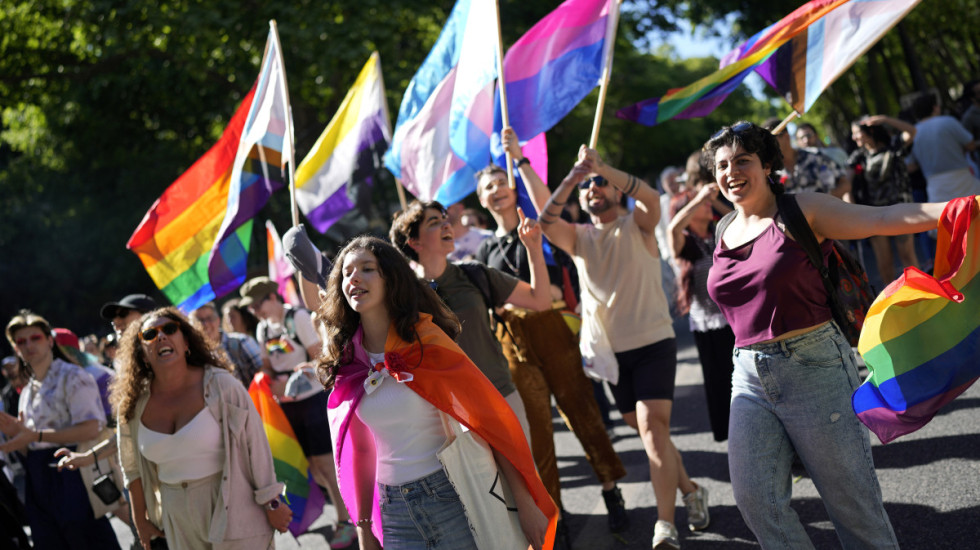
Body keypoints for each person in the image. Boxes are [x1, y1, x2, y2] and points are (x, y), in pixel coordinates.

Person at [701, 121, 948, 549]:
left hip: (815, 365)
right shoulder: (723, 229)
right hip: (747, 375)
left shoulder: (801, 210)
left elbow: (883, 218)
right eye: (722, 165)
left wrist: (958, 208)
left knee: (853, 510)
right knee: (757, 501)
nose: (731, 172)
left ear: (767, 165)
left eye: (743, 161)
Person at [318, 236, 557, 550]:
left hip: (452, 497)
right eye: (347, 273)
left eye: (367, 269)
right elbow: (360, 452)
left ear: (391, 279)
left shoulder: (427, 342)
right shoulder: (348, 363)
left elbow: (488, 422)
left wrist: (525, 503)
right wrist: (364, 529)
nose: (354, 278)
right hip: (393, 515)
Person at [538, 147, 709, 549]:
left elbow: (650, 196)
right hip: (611, 356)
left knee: (652, 431)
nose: (593, 188)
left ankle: (664, 525)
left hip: (654, 343)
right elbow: (547, 220)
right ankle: (690, 489)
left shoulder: (639, 225)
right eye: (586, 186)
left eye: (600, 183)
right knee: (652, 435)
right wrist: (574, 175)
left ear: (616, 190)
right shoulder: (578, 238)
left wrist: (602, 167)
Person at [474, 127, 629, 535]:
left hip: (552, 328)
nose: (496, 190)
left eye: (502, 183)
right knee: (537, 432)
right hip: (512, 341)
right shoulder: (483, 252)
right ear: (481, 199)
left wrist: (518, 157)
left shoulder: (537, 226)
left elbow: (557, 280)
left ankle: (611, 489)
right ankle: (553, 514)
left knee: (582, 411)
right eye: (489, 187)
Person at [111, 307, 291, 549]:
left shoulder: (222, 385)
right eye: (150, 334)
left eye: (170, 329)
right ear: (142, 354)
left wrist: (272, 502)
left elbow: (255, 445)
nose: (161, 336)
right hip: (176, 515)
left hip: (232, 501)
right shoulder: (133, 405)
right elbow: (131, 467)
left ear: (186, 342)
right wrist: (139, 520)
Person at [389, 200, 553, 437]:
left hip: (500, 393)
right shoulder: (403, 297)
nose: (447, 225)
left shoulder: (474, 273)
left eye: (445, 219)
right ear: (414, 242)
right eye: (434, 222)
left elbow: (541, 301)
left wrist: (534, 249)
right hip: (448, 409)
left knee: (525, 474)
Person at [238, 276, 353, 547]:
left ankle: (346, 519)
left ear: (272, 297)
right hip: (287, 407)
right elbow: (267, 366)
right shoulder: (263, 329)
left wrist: (291, 377)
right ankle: (348, 508)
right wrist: (265, 380)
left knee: (326, 463)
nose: (254, 312)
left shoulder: (298, 317)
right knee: (314, 466)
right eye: (251, 308)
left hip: (313, 399)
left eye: (257, 305)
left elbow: (321, 359)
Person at [0, 310, 120, 549]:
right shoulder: (27, 390)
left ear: (50, 341)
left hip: (73, 472)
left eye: (35, 338)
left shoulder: (73, 376)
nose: (28, 345)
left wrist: (36, 436)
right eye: (21, 342)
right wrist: (20, 435)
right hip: (39, 479)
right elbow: (31, 447)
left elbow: (91, 429)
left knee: (87, 540)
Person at [667, 186, 735, 443]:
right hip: (709, 327)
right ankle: (735, 440)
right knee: (720, 384)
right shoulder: (684, 242)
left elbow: (739, 218)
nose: (708, 205)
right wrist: (697, 198)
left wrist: (713, 201)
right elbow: (672, 228)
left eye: (708, 202)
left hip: (736, 320)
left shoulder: (718, 233)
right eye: (701, 204)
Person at [849, 115, 920, 283]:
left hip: (902, 211)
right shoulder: (859, 156)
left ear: (870, 130)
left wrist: (885, 119)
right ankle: (893, 303)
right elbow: (847, 183)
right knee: (885, 264)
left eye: (856, 133)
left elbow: (912, 131)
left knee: (907, 257)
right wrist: (850, 208)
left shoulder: (893, 146)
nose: (854, 138)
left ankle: (922, 296)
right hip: (875, 213)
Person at [908, 93, 980, 203]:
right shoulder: (948, 121)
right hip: (962, 179)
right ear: (935, 107)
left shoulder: (913, 132)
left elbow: (911, 166)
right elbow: (971, 145)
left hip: (935, 187)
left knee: (944, 218)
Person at [763, 118, 851, 201]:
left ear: (786, 136)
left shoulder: (815, 157)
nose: (768, 146)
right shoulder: (771, 172)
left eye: (771, 140)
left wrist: (825, 201)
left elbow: (845, 184)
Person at [191, 302, 269, 388]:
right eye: (200, 321)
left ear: (218, 320)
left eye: (209, 318)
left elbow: (265, 370)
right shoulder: (195, 358)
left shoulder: (242, 341)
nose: (205, 324)